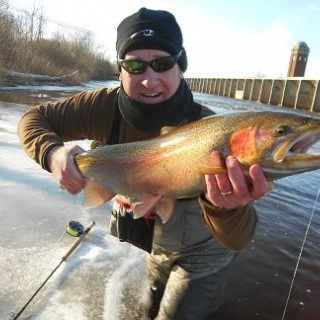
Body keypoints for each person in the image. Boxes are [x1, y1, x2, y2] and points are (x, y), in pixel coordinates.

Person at [17, 7, 268, 320]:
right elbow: (33, 119)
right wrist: (52, 154)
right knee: (146, 307)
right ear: (120, 70)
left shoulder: (212, 132)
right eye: (135, 66)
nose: (150, 80)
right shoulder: (101, 106)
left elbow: (238, 238)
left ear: (181, 66)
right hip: (151, 244)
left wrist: (226, 208)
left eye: (162, 64)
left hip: (202, 254)